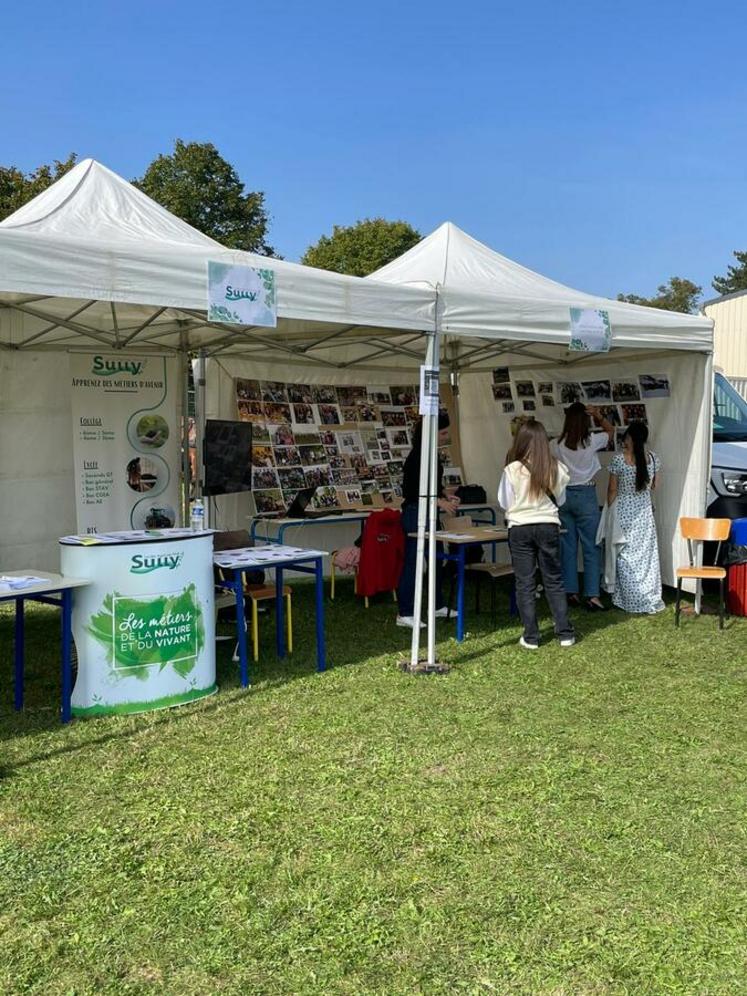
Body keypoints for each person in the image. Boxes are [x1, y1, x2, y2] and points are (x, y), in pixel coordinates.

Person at [498, 419, 575, 649]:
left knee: (525, 582)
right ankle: (564, 633)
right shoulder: (557, 467)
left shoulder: (512, 469)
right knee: (554, 580)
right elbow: (560, 500)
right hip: (548, 525)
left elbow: (505, 502)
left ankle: (531, 636)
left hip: (520, 527)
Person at [396, 410, 459, 628]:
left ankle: (437, 604)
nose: (446, 437)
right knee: (414, 563)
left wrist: (444, 494)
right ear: (432, 433)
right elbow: (413, 491)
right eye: (442, 433)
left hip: (429, 513)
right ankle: (405, 612)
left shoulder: (431, 454)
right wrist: (440, 502)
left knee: (435, 560)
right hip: (415, 514)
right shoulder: (417, 457)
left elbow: (432, 484)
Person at [552, 402, 614, 610]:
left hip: (564, 495)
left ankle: (570, 591)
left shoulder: (556, 444)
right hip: (586, 494)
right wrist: (598, 414)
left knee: (567, 546)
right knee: (591, 546)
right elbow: (610, 431)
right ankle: (592, 594)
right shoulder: (592, 441)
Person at [607, 421, 664, 613]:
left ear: (631, 438)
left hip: (624, 512)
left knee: (625, 555)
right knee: (646, 557)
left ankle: (630, 598)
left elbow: (612, 490)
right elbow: (656, 486)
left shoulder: (619, 460)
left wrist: (607, 511)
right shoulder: (654, 459)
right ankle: (649, 596)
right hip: (645, 514)